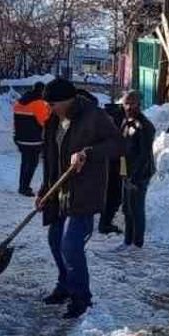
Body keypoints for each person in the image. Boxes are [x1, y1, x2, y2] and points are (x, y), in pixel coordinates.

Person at [37, 79, 125, 319]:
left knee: (71, 244)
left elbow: (118, 144)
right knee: (55, 240)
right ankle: (65, 285)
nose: (49, 108)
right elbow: (51, 159)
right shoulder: (53, 121)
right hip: (58, 192)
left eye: (52, 104)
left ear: (68, 100)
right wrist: (44, 190)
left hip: (84, 192)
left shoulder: (93, 116)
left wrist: (88, 153)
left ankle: (81, 297)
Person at [116, 91, 156, 251]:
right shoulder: (126, 122)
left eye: (131, 103)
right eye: (126, 103)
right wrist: (123, 172)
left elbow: (144, 154)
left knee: (136, 208)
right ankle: (127, 240)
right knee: (127, 208)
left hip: (140, 172)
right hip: (126, 170)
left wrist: (134, 175)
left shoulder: (144, 126)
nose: (128, 107)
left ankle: (137, 243)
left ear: (139, 104)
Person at [12, 82, 49, 196]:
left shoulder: (19, 102)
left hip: (20, 138)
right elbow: (44, 122)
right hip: (34, 140)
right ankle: (25, 188)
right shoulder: (38, 103)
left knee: (25, 162)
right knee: (32, 163)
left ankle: (22, 186)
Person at [98, 98, 126, 235]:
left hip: (111, 166)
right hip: (112, 167)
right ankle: (105, 223)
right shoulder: (114, 129)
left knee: (111, 196)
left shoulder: (103, 126)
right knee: (113, 196)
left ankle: (105, 222)